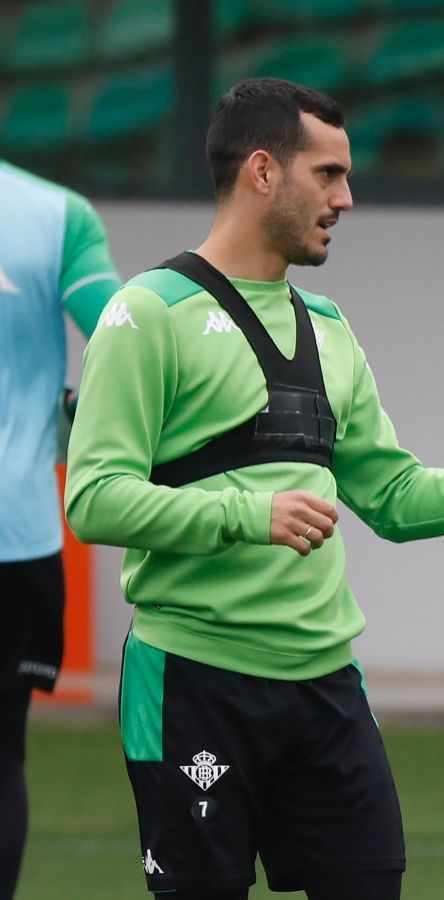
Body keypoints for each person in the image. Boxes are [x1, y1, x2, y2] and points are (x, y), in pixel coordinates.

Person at [65, 78, 444, 900]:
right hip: (194, 686)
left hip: (326, 690)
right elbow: (95, 498)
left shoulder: (328, 327)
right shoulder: (147, 314)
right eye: (326, 174)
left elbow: (391, 496)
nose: (346, 198)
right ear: (261, 172)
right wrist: (248, 515)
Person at [0, 160, 121, 899]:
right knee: (1, 758)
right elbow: (123, 342)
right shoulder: (56, 214)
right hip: (15, 537)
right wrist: (78, 419)